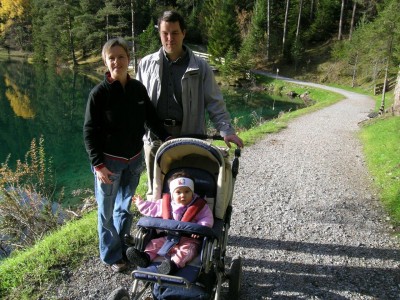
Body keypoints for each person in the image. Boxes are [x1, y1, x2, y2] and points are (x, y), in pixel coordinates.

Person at [83, 37, 170, 273]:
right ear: (105, 62)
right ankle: (111, 256)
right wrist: (98, 165)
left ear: (128, 60)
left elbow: (151, 118)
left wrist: (169, 139)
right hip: (109, 164)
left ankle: (122, 245)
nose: (116, 62)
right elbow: (89, 132)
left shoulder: (137, 89)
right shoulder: (98, 94)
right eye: (111, 58)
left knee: (123, 208)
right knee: (106, 212)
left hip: (134, 161)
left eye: (121, 56)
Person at [136, 10, 244, 196]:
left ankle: (186, 224)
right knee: (156, 191)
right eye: (165, 33)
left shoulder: (200, 67)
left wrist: (226, 130)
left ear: (184, 33)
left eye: (175, 33)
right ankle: (157, 224)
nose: (170, 38)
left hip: (189, 138)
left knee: (186, 191)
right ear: (159, 34)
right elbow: (137, 106)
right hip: (155, 140)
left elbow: (214, 102)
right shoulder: (146, 64)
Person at [127, 171, 214, 275]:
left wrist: (200, 228)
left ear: (192, 192)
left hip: (189, 239)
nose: (183, 195)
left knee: (188, 251)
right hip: (168, 237)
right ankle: (145, 257)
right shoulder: (165, 204)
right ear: (172, 193)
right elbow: (151, 208)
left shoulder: (199, 206)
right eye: (178, 192)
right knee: (154, 244)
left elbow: (207, 218)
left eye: (187, 191)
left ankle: (172, 265)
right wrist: (140, 203)